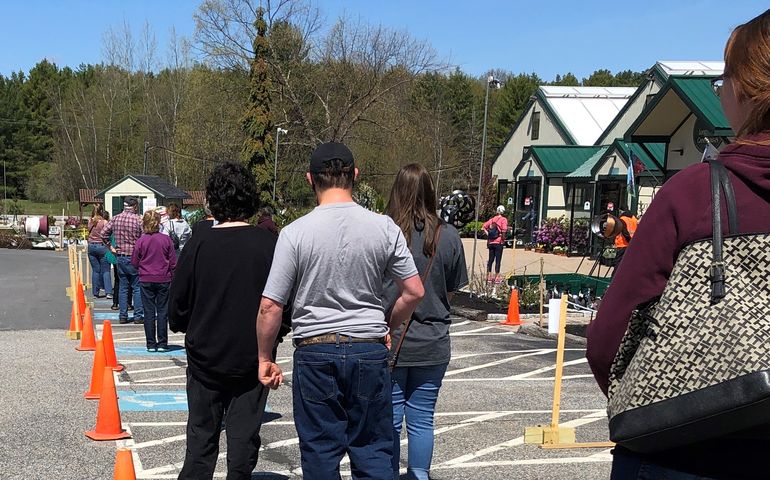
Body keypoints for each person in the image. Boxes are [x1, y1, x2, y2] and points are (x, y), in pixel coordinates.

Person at [586, 9, 770, 479]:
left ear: (747, 89)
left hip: (684, 452)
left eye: (724, 78)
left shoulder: (694, 194)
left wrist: (661, 403)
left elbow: (608, 339)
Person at [256, 142, 425, 479]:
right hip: (368, 347)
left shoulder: (294, 234)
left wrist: (263, 357)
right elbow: (414, 291)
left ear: (310, 180)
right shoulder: (384, 228)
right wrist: (386, 326)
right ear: (355, 176)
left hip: (315, 348)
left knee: (320, 452)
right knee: (374, 450)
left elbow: (271, 305)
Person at [169, 163, 290, 479]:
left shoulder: (198, 243)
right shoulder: (268, 244)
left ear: (212, 201)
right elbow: (283, 305)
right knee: (242, 443)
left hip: (205, 358)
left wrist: (185, 323)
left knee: (200, 443)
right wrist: (276, 337)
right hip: (252, 359)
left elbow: (177, 306)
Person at [384, 163, 468, 480]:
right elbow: (451, 288)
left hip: (391, 336)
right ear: (432, 193)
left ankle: (387, 473)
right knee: (422, 418)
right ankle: (419, 474)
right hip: (433, 338)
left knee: (389, 417)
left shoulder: (387, 232)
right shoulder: (448, 236)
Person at [132, 210, 176, 353]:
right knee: (162, 312)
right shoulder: (166, 240)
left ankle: (151, 343)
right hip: (164, 278)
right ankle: (162, 343)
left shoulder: (141, 241)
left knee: (149, 312)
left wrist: (142, 266)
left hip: (146, 278)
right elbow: (173, 262)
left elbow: (134, 261)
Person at [101, 197, 144, 325]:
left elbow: (103, 234)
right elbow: (145, 237)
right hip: (135, 256)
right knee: (137, 287)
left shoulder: (115, 218)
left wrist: (111, 247)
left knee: (123, 287)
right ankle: (138, 315)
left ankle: (123, 315)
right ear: (135, 206)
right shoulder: (138, 220)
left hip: (120, 255)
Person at [87, 205, 112, 299]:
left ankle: (95, 292)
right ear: (102, 212)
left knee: (95, 270)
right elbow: (108, 233)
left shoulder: (90, 221)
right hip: (102, 246)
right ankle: (108, 291)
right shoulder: (104, 222)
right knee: (106, 270)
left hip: (91, 246)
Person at [483, 205, 508, 284]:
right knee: (498, 260)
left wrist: (489, 235)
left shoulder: (492, 219)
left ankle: (488, 276)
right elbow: (504, 230)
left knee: (490, 259)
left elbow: (484, 226)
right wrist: (503, 239)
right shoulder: (503, 220)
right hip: (498, 242)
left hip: (491, 242)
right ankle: (497, 277)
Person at [611, 210, 638, 275]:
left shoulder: (622, 219)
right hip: (631, 244)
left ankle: (614, 278)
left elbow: (624, 232)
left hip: (623, 244)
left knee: (618, 263)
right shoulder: (634, 219)